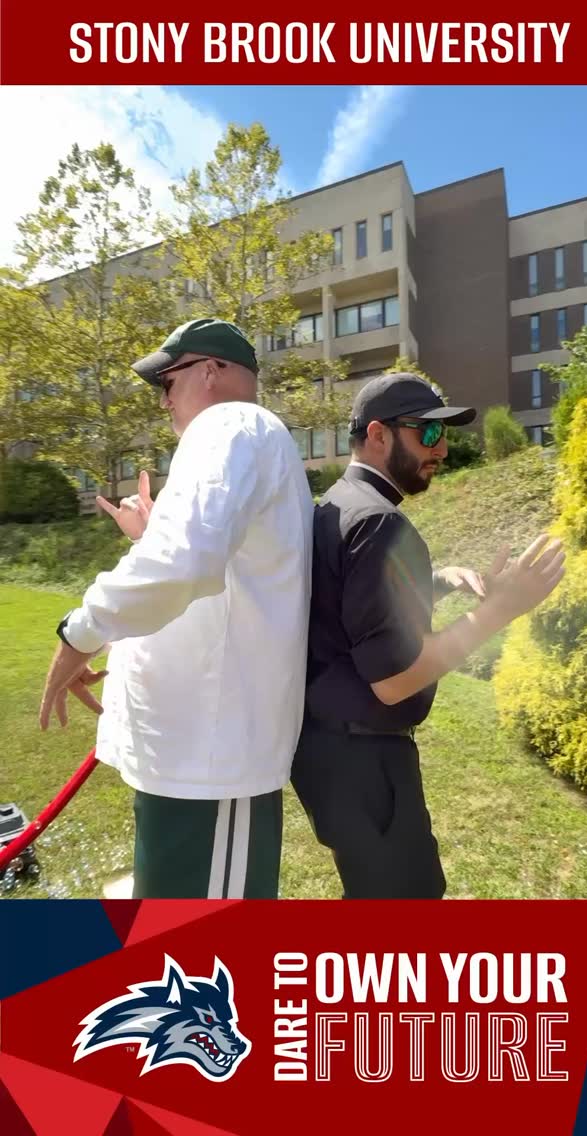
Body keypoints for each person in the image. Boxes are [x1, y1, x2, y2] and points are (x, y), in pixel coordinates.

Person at [39, 317, 314, 900]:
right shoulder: (238, 436)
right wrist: (147, 542)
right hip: (191, 760)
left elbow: (186, 560)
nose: (162, 399)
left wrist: (80, 632)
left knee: (205, 971)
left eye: (167, 381)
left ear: (212, 371)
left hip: (210, 767)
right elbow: (201, 570)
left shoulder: (231, 422)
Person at [291, 373, 565, 900]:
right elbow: (394, 681)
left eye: (445, 435)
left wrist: (436, 581)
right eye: (429, 434)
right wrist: (501, 610)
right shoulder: (380, 524)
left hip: (331, 753)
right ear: (379, 435)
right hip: (365, 760)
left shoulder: (339, 505)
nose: (442, 449)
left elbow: (354, 611)